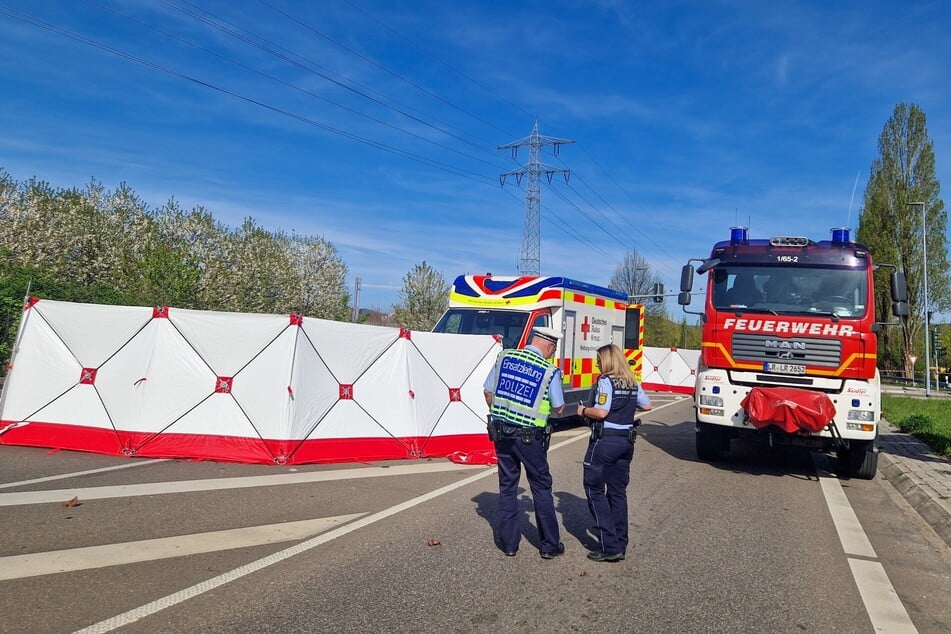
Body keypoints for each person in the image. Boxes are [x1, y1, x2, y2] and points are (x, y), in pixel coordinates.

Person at [483, 326, 566, 559]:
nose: (552, 354)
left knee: (507, 487)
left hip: (501, 434)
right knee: (540, 486)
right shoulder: (549, 371)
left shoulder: (504, 357)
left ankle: (509, 545)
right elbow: (558, 407)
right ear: (549, 346)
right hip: (530, 438)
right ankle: (549, 545)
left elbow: (488, 392)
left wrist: (502, 413)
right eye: (553, 350)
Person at [576, 343, 652, 562]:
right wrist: (626, 408)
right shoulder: (631, 382)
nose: (598, 364)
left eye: (599, 360)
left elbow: (601, 411)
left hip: (605, 441)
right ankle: (620, 542)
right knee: (618, 492)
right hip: (626, 442)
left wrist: (583, 410)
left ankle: (609, 546)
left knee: (594, 489)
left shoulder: (605, 381)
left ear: (607, 360)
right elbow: (647, 406)